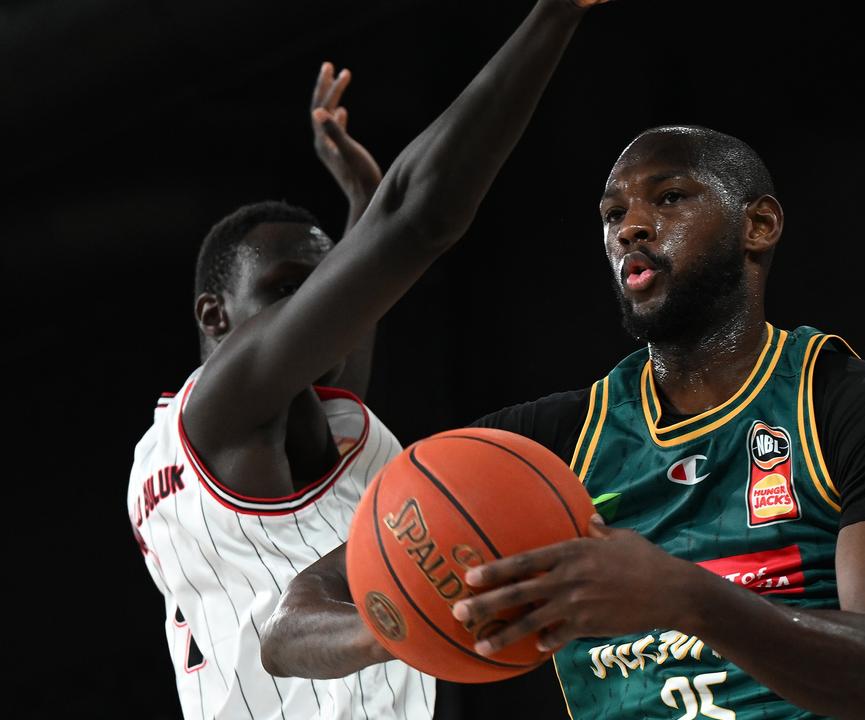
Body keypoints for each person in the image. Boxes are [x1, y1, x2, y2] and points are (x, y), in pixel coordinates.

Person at [264, 124, 865, 720]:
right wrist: (403, 619)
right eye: (612, 213)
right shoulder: (544, 446)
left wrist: (684, 596)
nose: (630, 226)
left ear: (759, 225)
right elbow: (288, 628)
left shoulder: (854, 405)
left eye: (669, 198)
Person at [126, 2, 603, 717]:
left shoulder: (253, 434)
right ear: (213, 315)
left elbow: (359, 300)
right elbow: (419, 218)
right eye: (288, 291)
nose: (318, 304)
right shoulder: (226, 408)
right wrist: (555, 17)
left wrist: (359, 199)